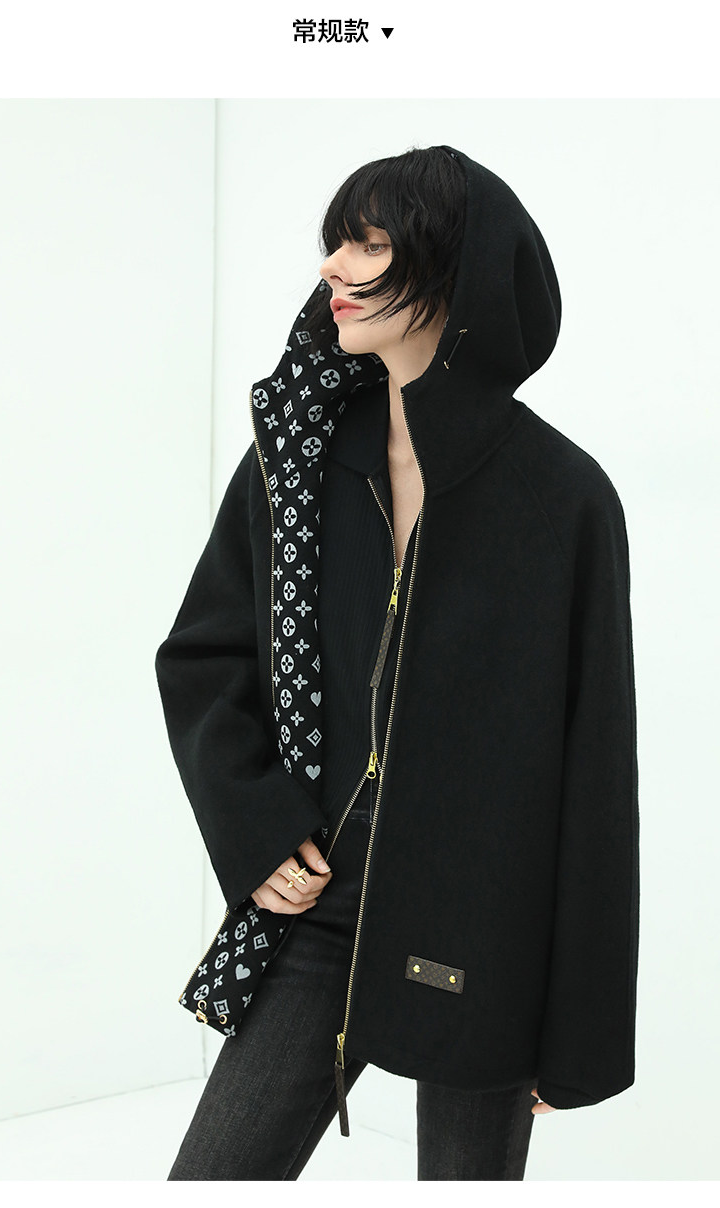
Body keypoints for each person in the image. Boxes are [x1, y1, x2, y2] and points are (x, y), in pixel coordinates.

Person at [154, 144, 640, 1180]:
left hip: (487, 932)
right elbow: (203, 655)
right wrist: (256, 824)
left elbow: (595, 775)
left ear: (454, 269)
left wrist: (581, 1030)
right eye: (334, 240)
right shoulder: (298, 455)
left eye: (367, 243)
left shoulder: (563, 502)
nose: (332, 265)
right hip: (324, 904)